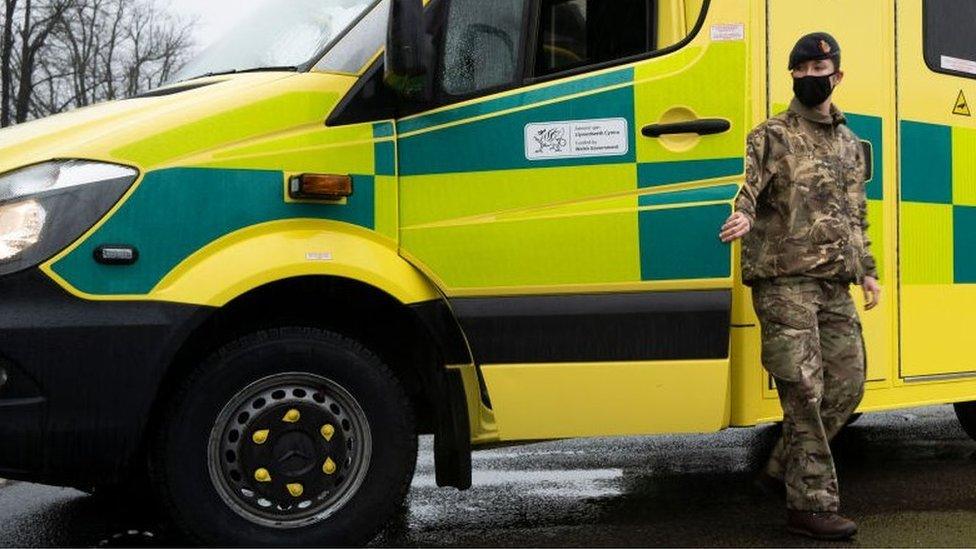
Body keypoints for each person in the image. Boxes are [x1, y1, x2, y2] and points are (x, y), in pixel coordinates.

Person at [718, 32, 882, 540]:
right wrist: (742, 216)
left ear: (838, 74)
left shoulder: (851, 145)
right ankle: (810, 505)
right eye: (803, 70)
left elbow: (856, 215)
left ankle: (780, 469)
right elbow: (748, 188)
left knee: (848, 385)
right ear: (793, 75)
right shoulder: (772, 135)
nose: (812, 77)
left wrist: (868, 269)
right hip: (783, 282)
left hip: (834, 284)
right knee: (804, 390)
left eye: (821, 68)